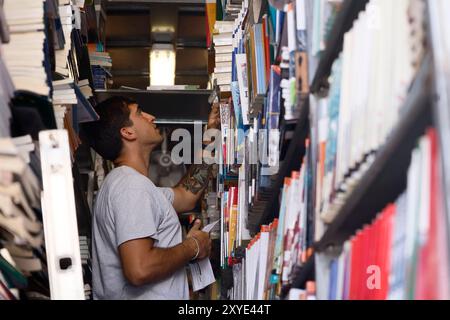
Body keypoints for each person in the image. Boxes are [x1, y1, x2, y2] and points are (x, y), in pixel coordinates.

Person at [82, 96, 220, 300]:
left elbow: (188, 194)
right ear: (127, 132)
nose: (151, 117)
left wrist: (212, 133)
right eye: (140, 113)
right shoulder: (131, 187)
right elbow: (140, 269)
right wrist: (193, 247)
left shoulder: (130, 185)